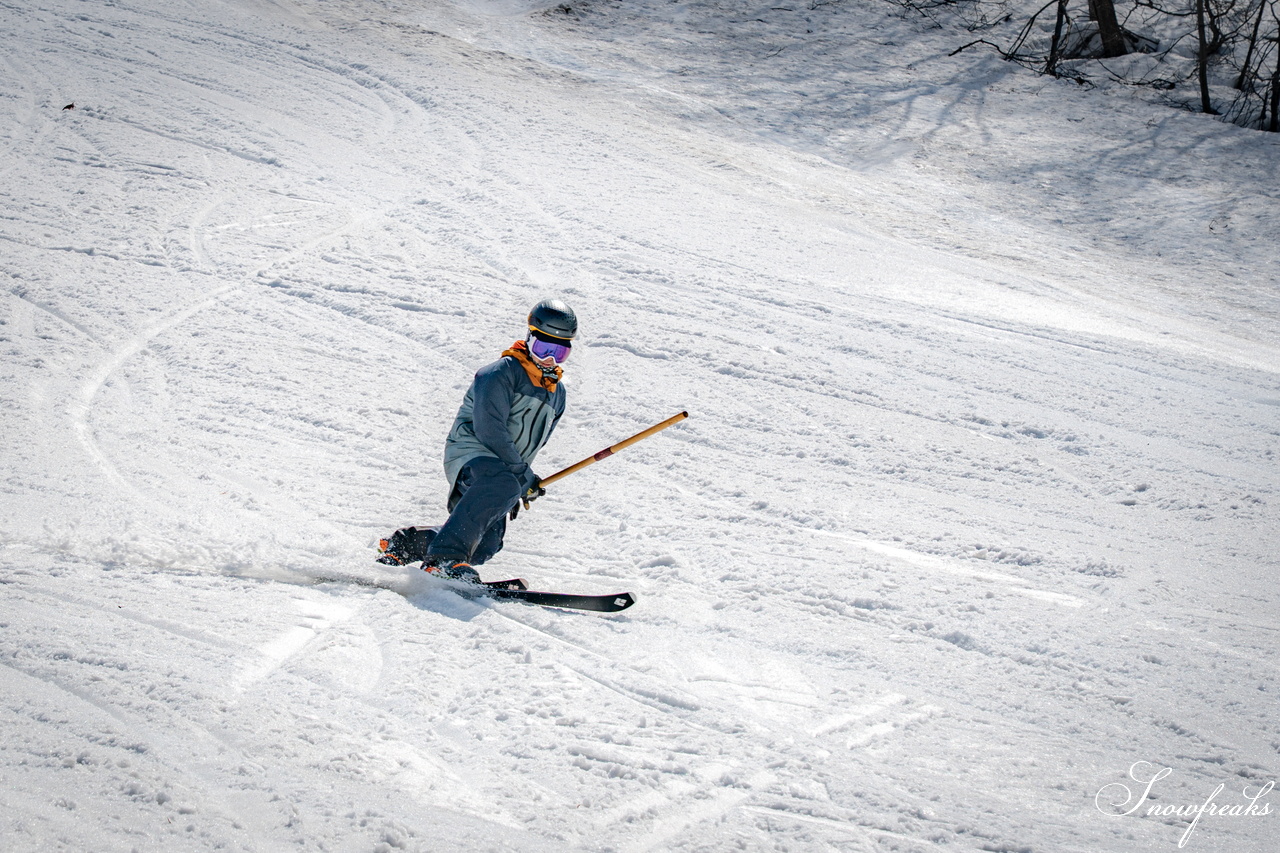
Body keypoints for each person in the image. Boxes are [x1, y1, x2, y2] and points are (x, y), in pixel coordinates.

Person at [377, 299, 576, 582]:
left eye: (560, 352)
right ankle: (444, 560)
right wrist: (516, 477)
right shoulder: (501, 372)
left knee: (484, 546)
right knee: (500, 488)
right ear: (529, 338)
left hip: (504, 470)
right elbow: (488, 429)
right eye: (543, 348)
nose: (549, 359)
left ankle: (409, 544)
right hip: (473, 452)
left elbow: (533, 446)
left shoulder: (557, 394)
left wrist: (521, 482)